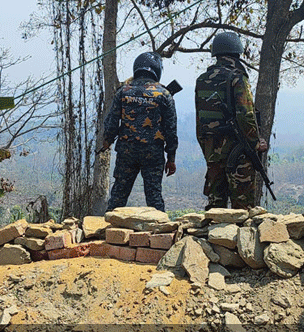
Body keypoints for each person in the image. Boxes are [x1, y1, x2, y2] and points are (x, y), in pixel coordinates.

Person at [195, 32, 267, 210]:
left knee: (215, 205)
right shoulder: (237, 78)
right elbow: (246, 116)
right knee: (242, 207)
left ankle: (213, 237)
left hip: (212, 149)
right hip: (238, 149)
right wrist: (255, 143)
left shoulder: (201, 80)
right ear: (237, 52)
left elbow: (200, 120)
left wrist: (207, 148)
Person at [100, 52, 178, 212]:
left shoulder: (123, 92)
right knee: (154, 197)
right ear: (157, 70)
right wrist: (171, 157)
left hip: (126, 153)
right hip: (153, 154)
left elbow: (112, 122)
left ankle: (107, 230)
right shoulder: (164, 95)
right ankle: (161, 232)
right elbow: (171, 130)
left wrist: (107, 140)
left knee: (118, 196)